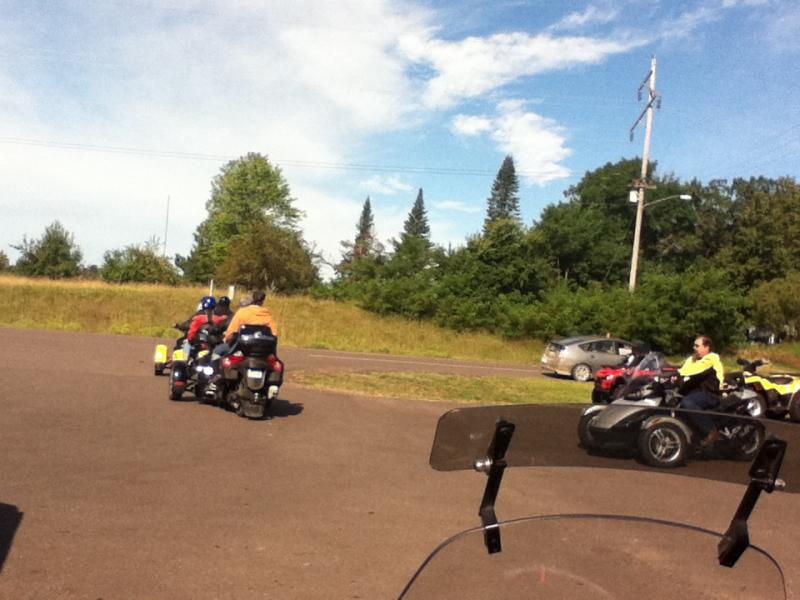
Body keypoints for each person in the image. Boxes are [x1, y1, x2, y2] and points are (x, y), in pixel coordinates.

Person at [678, 335, 724, 447]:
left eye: (697, 346)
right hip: (696, 392)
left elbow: (693, 370)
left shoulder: (711, 358)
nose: (694, 348)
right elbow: (682, 369)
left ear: (706, 347)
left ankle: (711, 431)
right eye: (694, 346)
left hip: (710, 393)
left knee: (687, 402)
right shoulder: (692, 359)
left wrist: (677, 373)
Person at [212, 290, 280, 359]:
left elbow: (231, 332)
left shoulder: (242, 312)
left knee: (218, 351)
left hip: (242, 349)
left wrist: (227, 338)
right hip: (263, 350)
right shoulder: (267, 315)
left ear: (252, 300)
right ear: (262, 302)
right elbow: (275, 334)